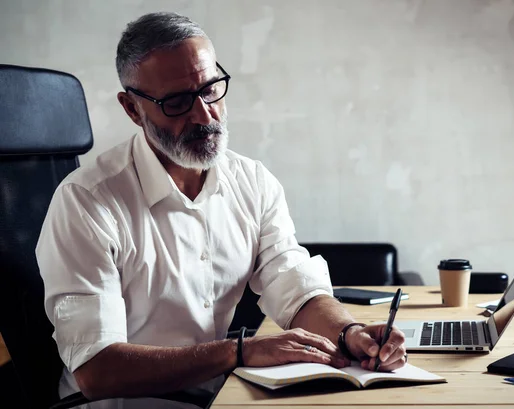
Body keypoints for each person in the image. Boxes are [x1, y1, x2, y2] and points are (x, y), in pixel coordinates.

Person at [36, 11, 407, 407]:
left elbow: (295, 288)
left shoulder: (253, 181)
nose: (204, 115)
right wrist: (240, 351)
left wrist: (349, 333)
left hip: (217, 396)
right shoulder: (87, 201)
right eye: (177, 102)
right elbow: (96, 370)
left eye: (211, 88)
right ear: (132, 109)